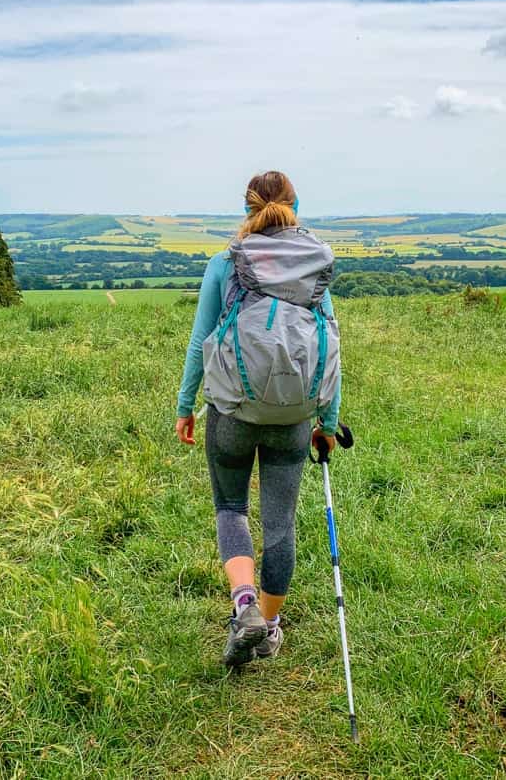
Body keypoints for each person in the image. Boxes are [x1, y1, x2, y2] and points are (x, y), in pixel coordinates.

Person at [175, 171, 342, 667]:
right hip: (292, 414)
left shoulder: (225, 264)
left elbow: (199, 341)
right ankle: (268, 628)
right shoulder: (313, 266)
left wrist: (187, 405)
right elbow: (330, 345)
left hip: (231, 408)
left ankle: (244, 602)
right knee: (280, 521)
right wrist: (327, 422)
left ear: (247, 209)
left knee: (230, 506)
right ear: (295, 205)